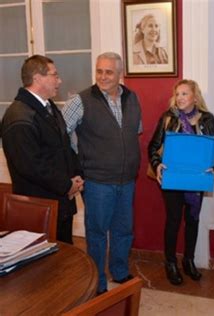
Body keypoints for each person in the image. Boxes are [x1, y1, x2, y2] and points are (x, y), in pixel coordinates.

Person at [62, 52, 142, 295]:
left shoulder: (132, 98)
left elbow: (135, 130)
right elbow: (60, 134)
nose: (103, 76)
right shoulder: (80, 100)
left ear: (120, 74)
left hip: (127, 179)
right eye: (99, 71)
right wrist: (77, 159)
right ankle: (97, 283)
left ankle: (119, 271)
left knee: (123, 230)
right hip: (97, 182)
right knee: (97, 234)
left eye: (109, 71)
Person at [148, 79, 214, 286]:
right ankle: (170, 262)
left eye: (184, 94)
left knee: (193, 220)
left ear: (195, 97)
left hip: (196, 180)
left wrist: (213, 168)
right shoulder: (168, 118)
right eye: (177, 94)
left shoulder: (207, 119)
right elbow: (153, 147)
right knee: (173, 221)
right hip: (173, 178)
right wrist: (157, 166)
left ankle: (188, 260)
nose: (180, 98)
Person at [1, 55, 83, 244]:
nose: (59, 80)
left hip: (60, 203)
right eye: (55, 75)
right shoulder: (19, 117)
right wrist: (66, 185)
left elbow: (63, 146)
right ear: (37, 78)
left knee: (64, 261)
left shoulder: (48, 106)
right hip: (39, 208)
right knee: (47, 269)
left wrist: (76, 175)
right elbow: (31, 166)